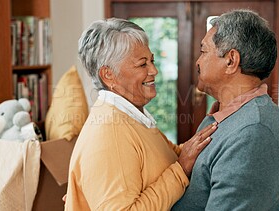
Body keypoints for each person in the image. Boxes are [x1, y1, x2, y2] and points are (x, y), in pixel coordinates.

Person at [64, 18, 217, 210]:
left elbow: (171, 155)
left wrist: (215, 125)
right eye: (142, 64)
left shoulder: (132, 116)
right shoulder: (109, 133)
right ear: (108, 75)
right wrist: (180, 170)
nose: (154, 70)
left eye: (152, 60)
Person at [172, 9, 279, 210]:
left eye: (203, 51)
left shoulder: (253, 133)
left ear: (231, 61)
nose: (197, 62)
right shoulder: (228, 116)